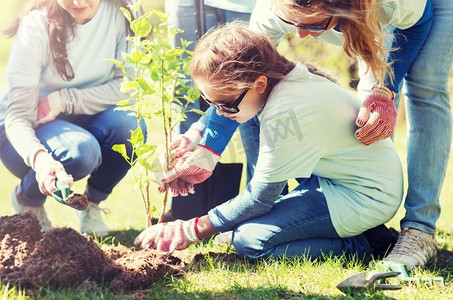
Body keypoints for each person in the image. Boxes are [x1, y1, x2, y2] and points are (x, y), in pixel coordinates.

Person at [158, 0, 453, 270]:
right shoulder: (272, 12)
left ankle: (419, 229)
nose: (298, 36)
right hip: (359, 27)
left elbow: (416, 23)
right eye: (291, 23)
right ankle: (280, 218)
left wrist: (385, 88)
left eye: (312, 25)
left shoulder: (387, 5)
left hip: (418, 12)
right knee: (255, 111)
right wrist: (208, 145)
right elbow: (240, 81)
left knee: (425, 89)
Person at [135, 22, 404, 261]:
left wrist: (191, 229)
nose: (219, 113)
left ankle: (367, 243)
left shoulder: (286, 112)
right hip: (337, 182)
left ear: (259, 83)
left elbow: (260, 199)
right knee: (243, 228)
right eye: (210, 102)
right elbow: (259, 195)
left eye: (226, 105)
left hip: (365, 195)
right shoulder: (282, 82)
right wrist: (199, 141)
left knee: (250, 241)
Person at [0, 0, 146, 236]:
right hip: (26, 127)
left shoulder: (124, 13)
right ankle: (27, 199)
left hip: (85, 114)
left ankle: (90, 205)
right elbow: (17, 117)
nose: (78, 2)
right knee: (80, 153)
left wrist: (64, 100)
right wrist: (41, 160)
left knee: (131, 126)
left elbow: (128, 88)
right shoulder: (35, 25)